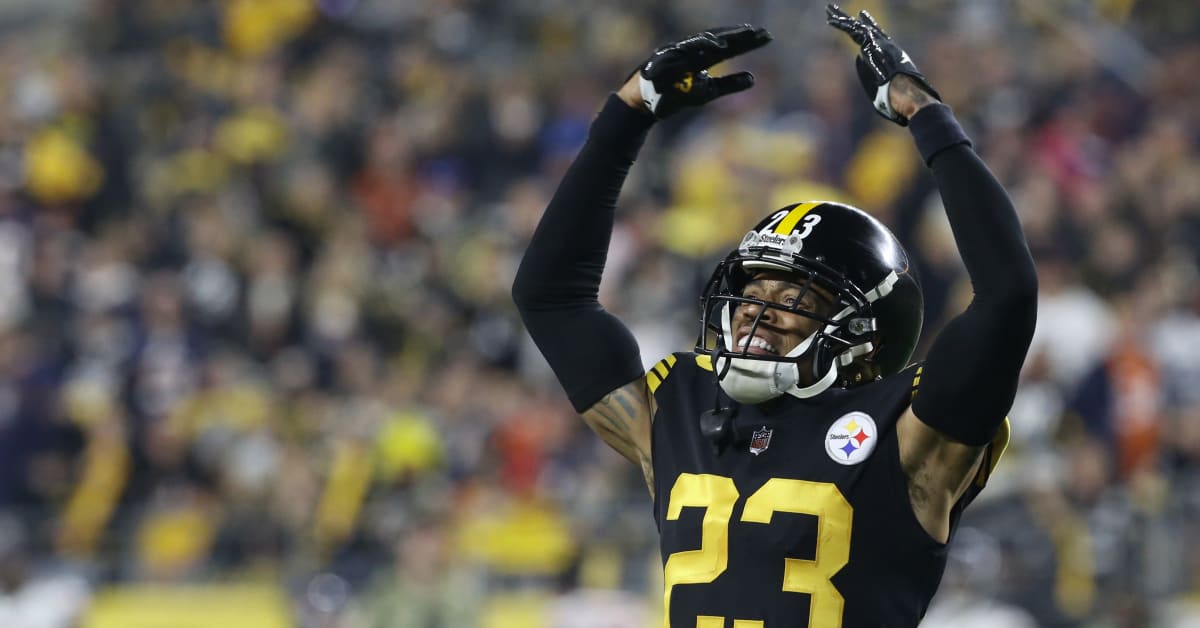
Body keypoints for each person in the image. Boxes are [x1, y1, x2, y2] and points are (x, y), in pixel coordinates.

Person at [512, 6, 1037, 627]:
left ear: (864, 339)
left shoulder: (908, 433)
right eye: (753, 296)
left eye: (794, 303)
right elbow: (549, 296)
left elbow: (1006, 297)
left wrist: (928, 116)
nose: (758, 317)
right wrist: (625, 116)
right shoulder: (680, 409)